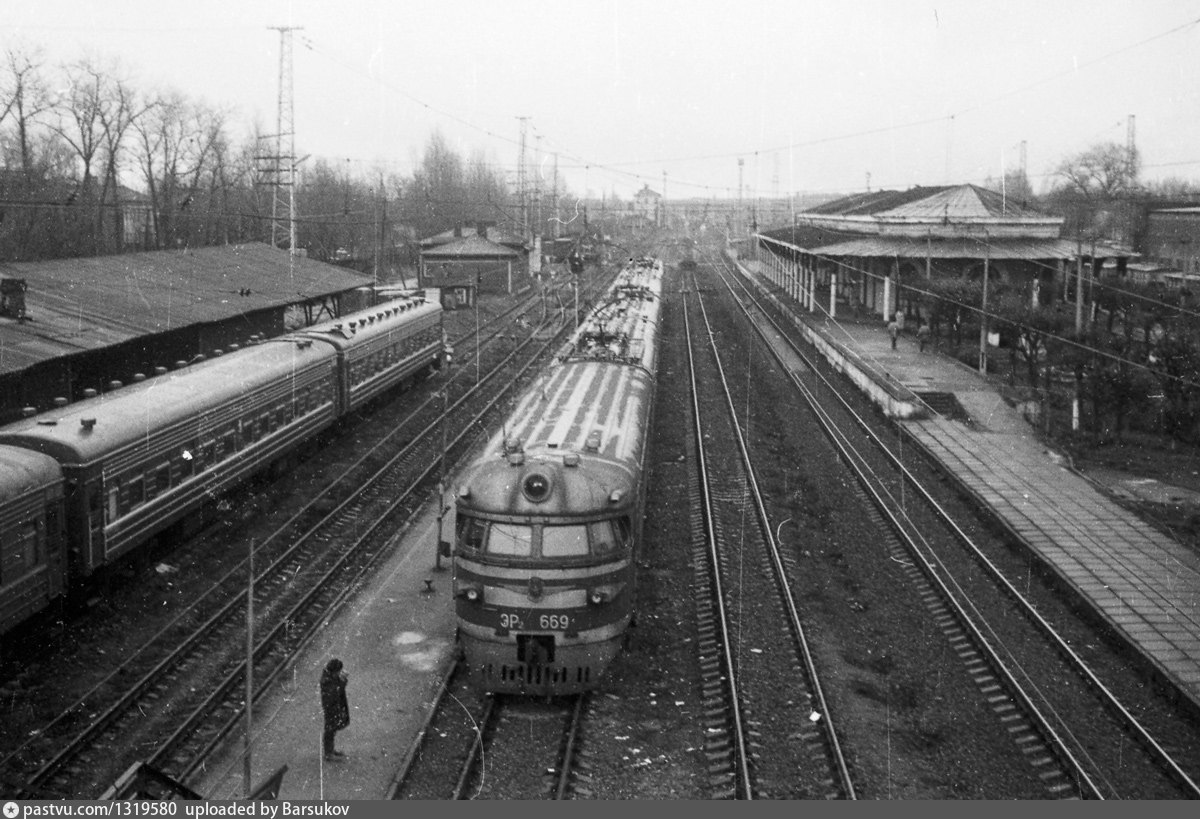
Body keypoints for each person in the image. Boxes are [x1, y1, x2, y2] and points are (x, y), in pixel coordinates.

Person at [320, 658, 350, 761]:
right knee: (330, 729)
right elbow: (336, 693)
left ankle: (331, 750)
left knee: (332, 729)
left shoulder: (329, 677)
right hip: (331, 708)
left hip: (334, 707)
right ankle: (328, 753)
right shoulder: (327, 682)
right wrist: (343, 681)